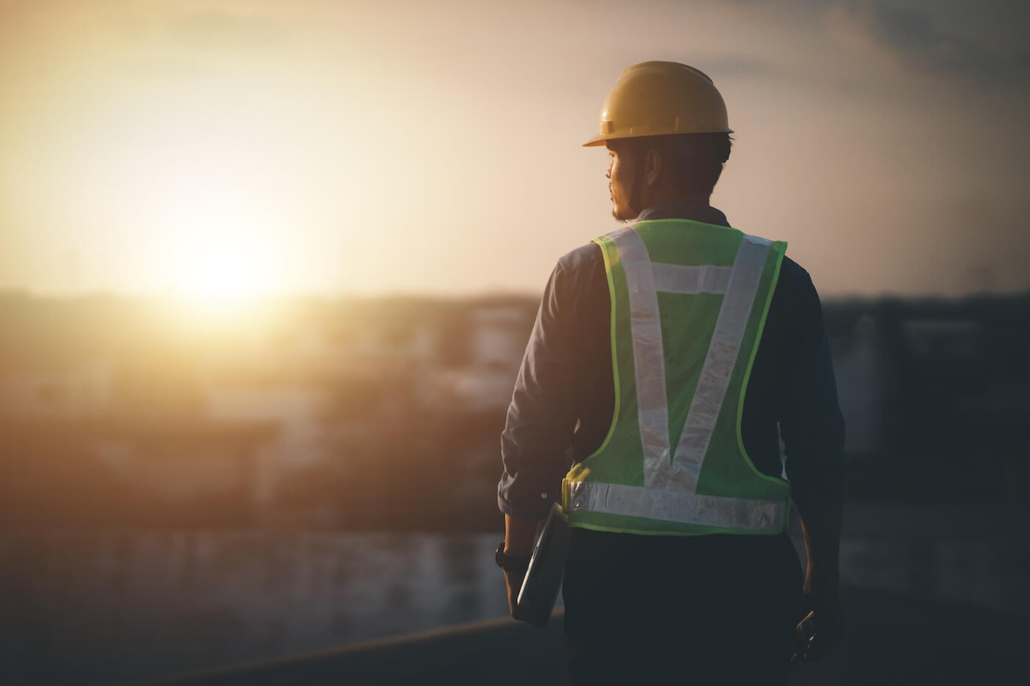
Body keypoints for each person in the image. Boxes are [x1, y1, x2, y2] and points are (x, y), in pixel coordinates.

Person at [495, 61, 847, 684]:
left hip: (614, 577)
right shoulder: (783, 282)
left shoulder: (583, 274)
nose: (607, 174)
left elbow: (534, 428)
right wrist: (823, 571)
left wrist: (519, 555)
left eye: (614, 156)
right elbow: (818, 444)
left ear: (651, 163)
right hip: (745, 581)